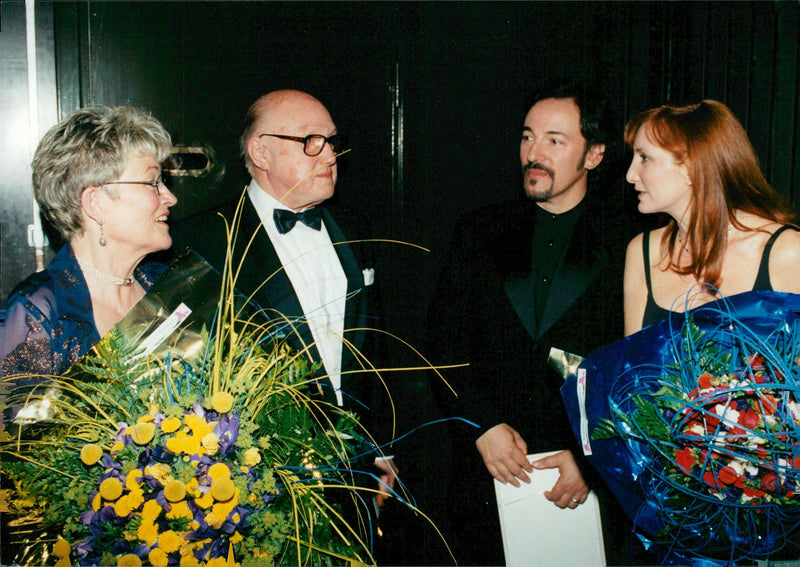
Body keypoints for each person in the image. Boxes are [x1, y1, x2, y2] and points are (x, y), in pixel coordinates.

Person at [424, 81, 642, 566]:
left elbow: (638, 372)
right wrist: (481, 424)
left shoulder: (632, 243)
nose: (533, 153)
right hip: (483, 480)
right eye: (527, 137)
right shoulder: (478, 231)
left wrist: (592, 460)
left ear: (595, 155)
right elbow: (440, 343)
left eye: (554, 140)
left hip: (584, 490)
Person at [172, 90, 398, 545]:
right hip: (256, 495)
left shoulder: (356, 228)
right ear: (261, 152)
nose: (330, 155)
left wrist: (380, 447)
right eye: (311, 141)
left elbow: (372, 352)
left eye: (332, 141)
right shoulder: (201, 242)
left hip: (355, 478)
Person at [0, 105, 177, 379]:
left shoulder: (168, 284)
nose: (169, 197)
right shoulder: (37, 314)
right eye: (152, 182)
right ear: (96, 203)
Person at [623, 99, 800, 336]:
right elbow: (630, 368)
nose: (630, 175)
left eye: (644, 157)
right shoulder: (644, 252)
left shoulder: (787, 252)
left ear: (690, 167)